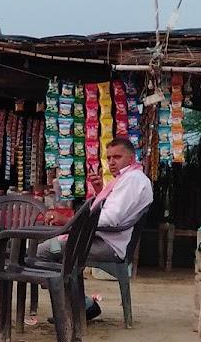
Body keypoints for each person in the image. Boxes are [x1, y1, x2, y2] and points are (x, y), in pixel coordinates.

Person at [36, 137, 153, 320]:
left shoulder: (133, 180)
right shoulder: (129, 178)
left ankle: (80, 305)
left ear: (131, 159)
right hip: (100, 239)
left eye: (117, 157)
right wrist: (100, 191)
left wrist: (67, 220)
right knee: (51, 249)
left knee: (44, 251)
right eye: (109, 158)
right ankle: (77, 304)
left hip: (107, 244)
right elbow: (112, 211)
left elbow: (109, 218)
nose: (112, 162)